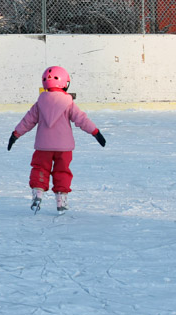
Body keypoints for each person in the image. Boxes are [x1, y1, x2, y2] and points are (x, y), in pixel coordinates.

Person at [7, 66, 106, 213]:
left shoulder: (40, 102)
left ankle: (38, 192)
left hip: (43, 146)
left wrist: (15, 134)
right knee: (62, 171)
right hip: (64, 147)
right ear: (65, 83)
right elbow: (81, 120)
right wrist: (95, 132)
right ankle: (61, 199)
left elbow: (27, 121)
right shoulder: (68, 102)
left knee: (40, 168)